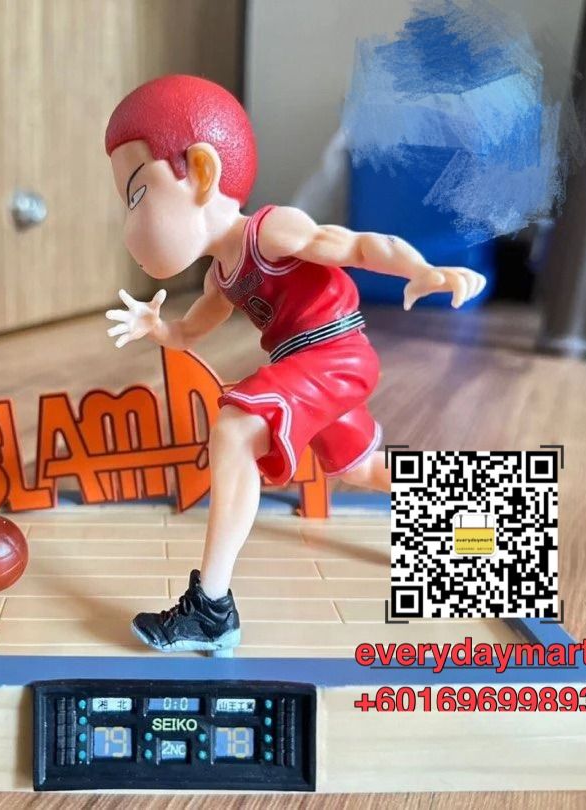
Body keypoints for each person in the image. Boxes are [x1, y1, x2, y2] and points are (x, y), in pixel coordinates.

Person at [104, 75, 485, 654]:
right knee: (362, 468)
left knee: (236, 427)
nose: (130, 221)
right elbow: (190, 332)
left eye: (136, 194)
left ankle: (211, 608)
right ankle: (481, 524)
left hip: (333, 354)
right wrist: (158, 327)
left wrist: (422, 271)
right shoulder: (221, 278)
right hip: (309, 367)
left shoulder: (269, 231)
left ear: (201, 172)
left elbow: (354, 244)